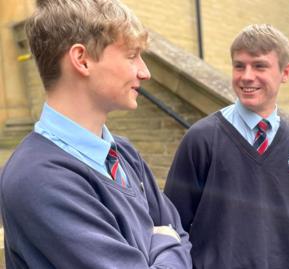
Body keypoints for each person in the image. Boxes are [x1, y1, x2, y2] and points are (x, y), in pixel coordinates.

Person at [0, 0, 192, 268]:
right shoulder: (39, 178)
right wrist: (164, 241)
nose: (144, 72)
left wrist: (165, 242)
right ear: (82, 59)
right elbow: (175, 240)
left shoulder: (123, 154)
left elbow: (180, 232)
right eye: (131, 55)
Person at [164, 24, 289, 269]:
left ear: (285, 72)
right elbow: (171, 224)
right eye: (239, 65)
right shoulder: (201, 139)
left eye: (259, 66)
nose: (246, 76)